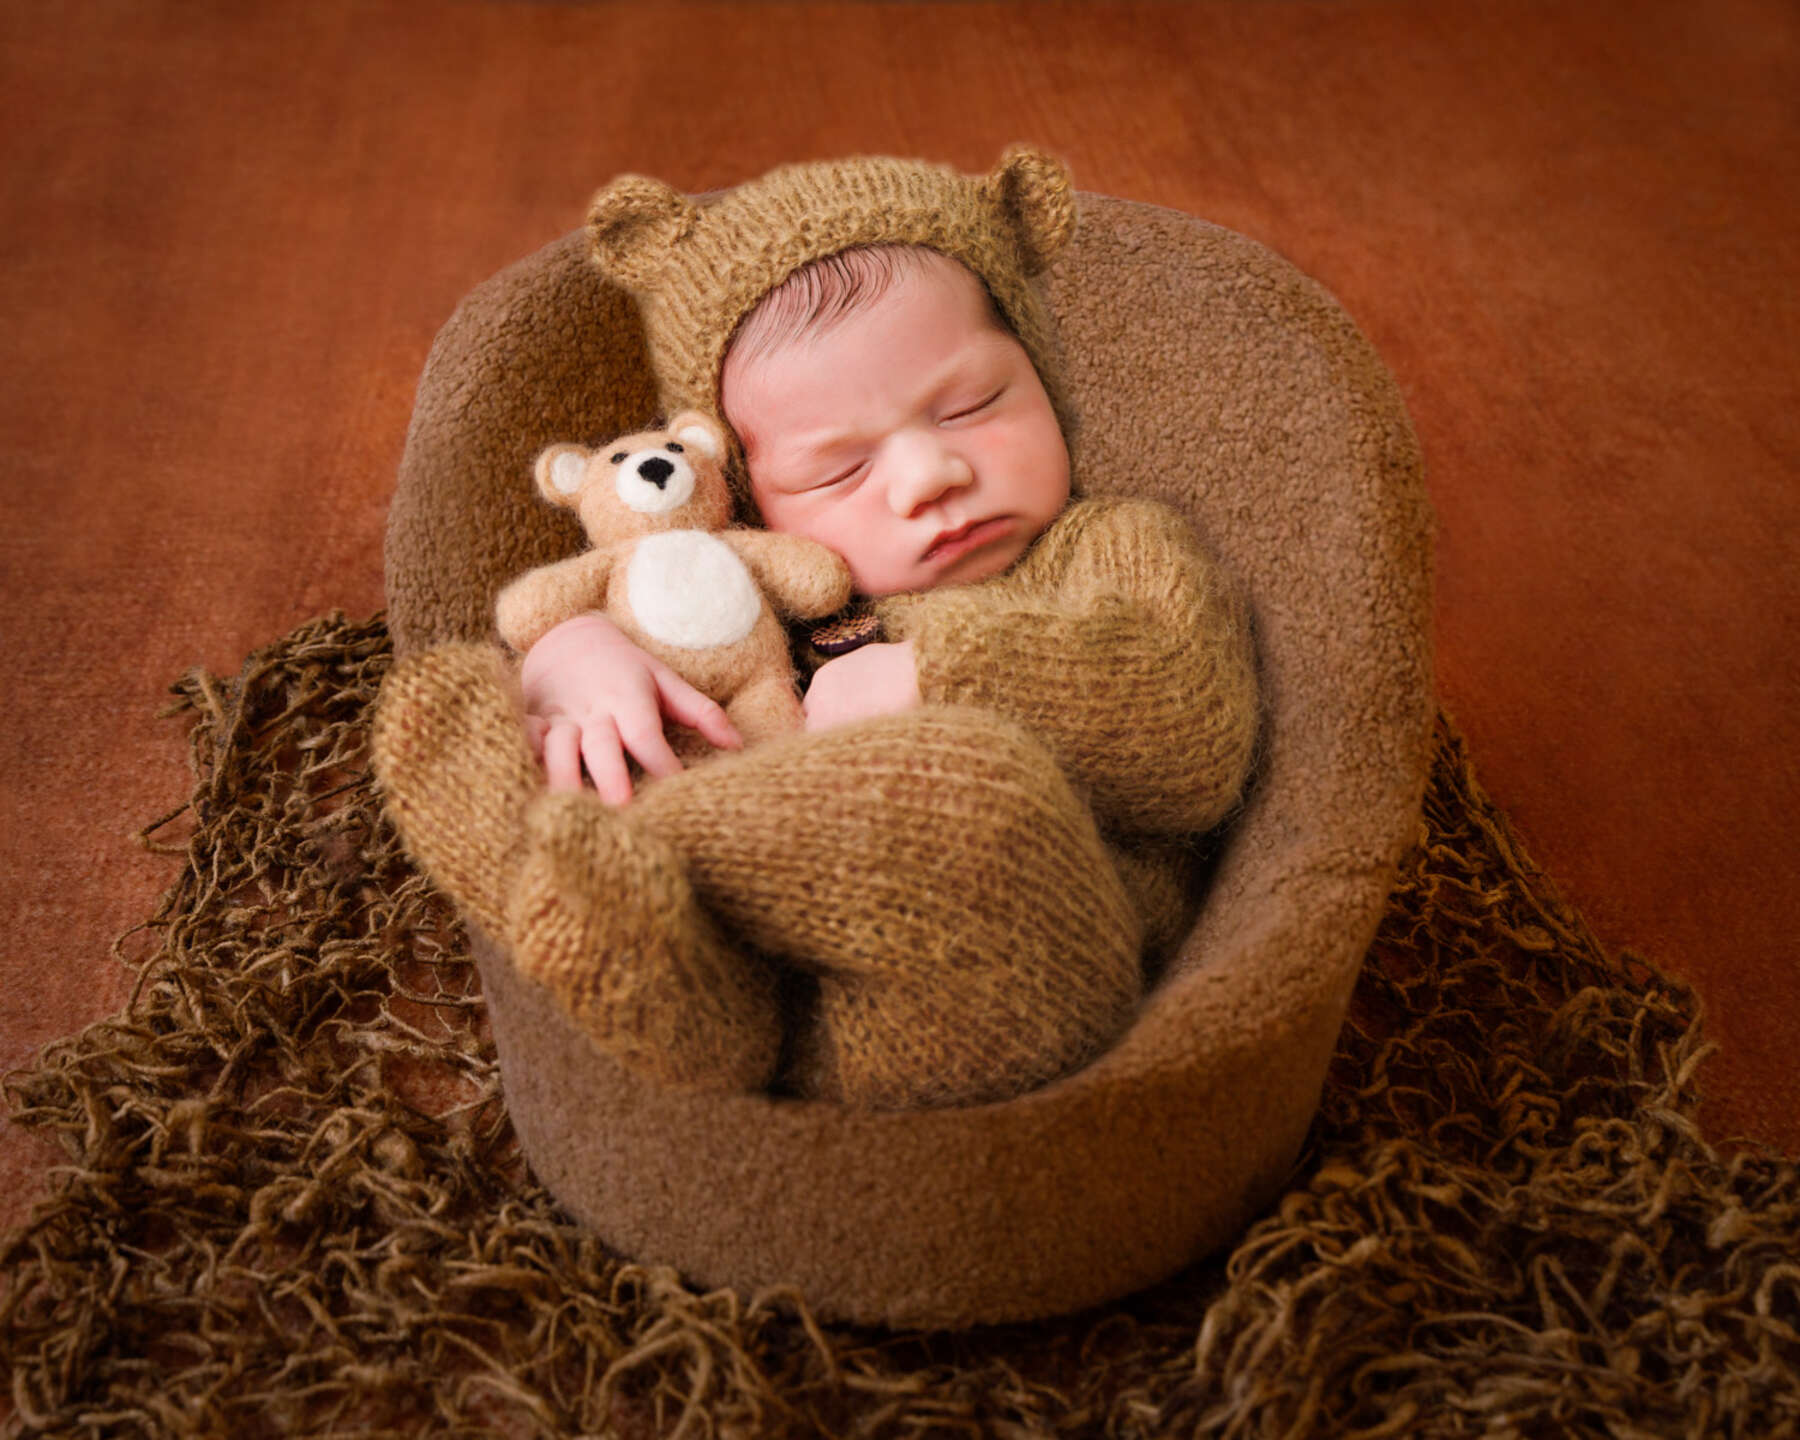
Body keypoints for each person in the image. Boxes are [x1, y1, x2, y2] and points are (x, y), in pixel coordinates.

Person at [372, 147, 1259, 1111]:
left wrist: (938, 673)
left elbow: (1195, 728)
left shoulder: (1108, 546)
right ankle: (660, 965)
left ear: (1042, 375)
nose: (929, 478)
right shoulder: (761, 599)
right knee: (467, 711)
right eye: (838, 471)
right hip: (766, 992)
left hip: (1018, 964)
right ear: (747, 501)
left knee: (966, 784)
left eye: (973, 406)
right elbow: (665, 671)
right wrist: (574, 657)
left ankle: (585, 864)